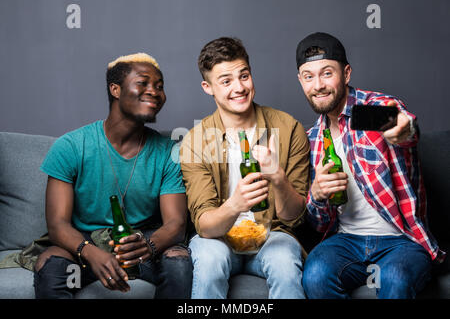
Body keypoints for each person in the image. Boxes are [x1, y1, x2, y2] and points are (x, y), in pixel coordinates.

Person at [295, 32, 445, 299]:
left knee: (394, 277)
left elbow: (403, 124)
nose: (318, 85)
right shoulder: (313, 138)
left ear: (347, 73)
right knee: (315, 274)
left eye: (327, 73)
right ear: (301, 81)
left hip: (401, 241)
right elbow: (319, 226)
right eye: (309, 76)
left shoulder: (367, 111)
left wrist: (403, 128)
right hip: (347, 242)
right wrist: (317, 196)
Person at [33, 53, 193, 298]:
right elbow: (57, 225)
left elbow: (176, 224)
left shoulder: (168, 152)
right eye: (143, 83)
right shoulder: (72, 146)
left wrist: (147, 247)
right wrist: (89, 252)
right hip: (85, 245)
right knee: (50, 266)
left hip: (143, 242)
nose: (154, 92)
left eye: (159, 87)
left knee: (178, 264)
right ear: (115, 89)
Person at [180, 37, 310, 299]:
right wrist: (235, 204)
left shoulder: (288, 128)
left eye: (244, 76)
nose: (239, 87)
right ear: (208, 87)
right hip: (218, 238)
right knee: (209, 262)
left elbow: (294, 217)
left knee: (285, 263)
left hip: (272, 234)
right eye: (226, 81)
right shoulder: (195, 140)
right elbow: (204, 225)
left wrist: (278, 178)